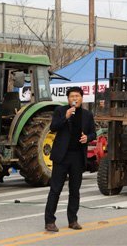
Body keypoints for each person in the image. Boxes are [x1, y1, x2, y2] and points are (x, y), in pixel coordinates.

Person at [44, 86, 96, 232]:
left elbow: (93, 134)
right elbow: (53, 127)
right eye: (72, 97)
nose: (74, 99)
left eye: (77, 96)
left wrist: (88, 138)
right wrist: (65, 117)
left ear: (81, 98)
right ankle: (49, 221)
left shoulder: (87, 115)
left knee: (75, 190)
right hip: (62, 156)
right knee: (55, 189)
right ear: (68, 99)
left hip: (77, 157)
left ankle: (73, 220)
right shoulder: (60, 111)